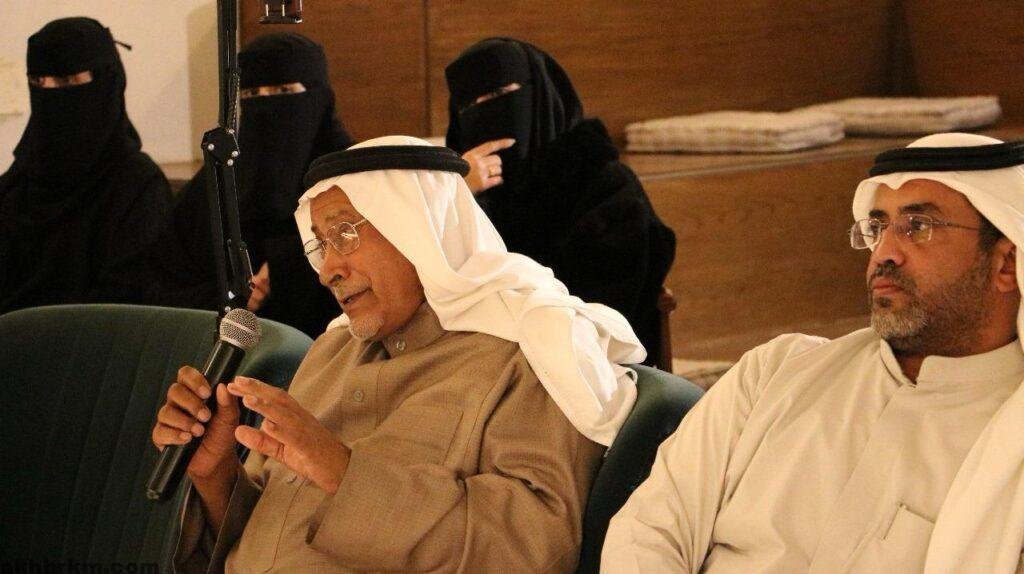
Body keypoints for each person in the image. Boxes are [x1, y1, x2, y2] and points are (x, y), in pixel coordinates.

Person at [153, 136, 648, 572]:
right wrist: (216, 473)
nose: (328, 270)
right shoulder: (332, 352)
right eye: (321, 245)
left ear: (418, 228)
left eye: (345, 234)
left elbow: (533, 550)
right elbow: (271, 532)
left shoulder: (527, 350)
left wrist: (343, 472)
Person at [602, 132, 1024, 573]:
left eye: (917, 227)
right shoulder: (774, 373)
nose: (884, 254)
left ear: (1007, 263)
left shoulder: (1013, 445)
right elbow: (648, 530)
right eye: (877, 228)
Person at [444, 38, 676, 363]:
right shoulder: (462, 186)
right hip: (480, 357)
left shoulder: (604, 183)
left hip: (584, 364)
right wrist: (457, 194)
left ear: (540, 96)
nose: (485, 113)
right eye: (469, 106)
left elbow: (600, 315)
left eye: (499, 94)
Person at [166, 32, 353, 337]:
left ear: (319, 96)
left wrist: (282, 270)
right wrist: (227, 298)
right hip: (227, 349)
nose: (266, 104)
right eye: (252, 94)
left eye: (283, 90)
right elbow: (164, 278)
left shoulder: (350, 179)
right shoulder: (217, 179)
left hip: (328, 348)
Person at [0, 17, 171, 314]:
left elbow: (127, 304)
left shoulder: (137, 187)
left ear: (107, 82)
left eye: (67, 81)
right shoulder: (18, 185)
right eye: (39, 83)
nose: (50, 94)